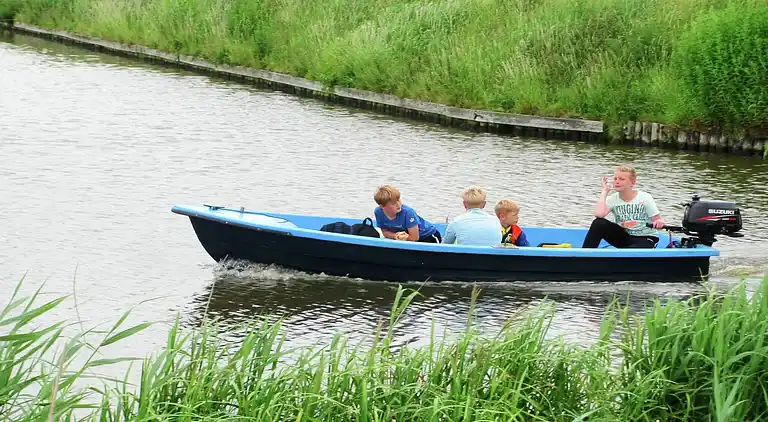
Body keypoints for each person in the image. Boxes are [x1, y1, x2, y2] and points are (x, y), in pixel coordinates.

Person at [582, 164, 665, 248]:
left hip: (645, 238)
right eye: (615, 178)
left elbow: (657, 219)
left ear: (632, 183)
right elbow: (598, 214)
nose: (617, 181)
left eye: (621, 179)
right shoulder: (612, 199)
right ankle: (584, 255)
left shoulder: (645, 197)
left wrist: (659, 222)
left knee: (633, 251)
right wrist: (604, 191)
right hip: (625, 237)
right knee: (599, 223)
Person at [373, 185, 441, 243]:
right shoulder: (378, 212)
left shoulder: (408, 212)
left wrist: (403, 238)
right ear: (382, 206)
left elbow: (414, 237)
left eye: (399, 200)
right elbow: (384, 231)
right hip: (406, 237)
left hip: (428, 236)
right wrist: (396, 236)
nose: (398, 205)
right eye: (393, 203)